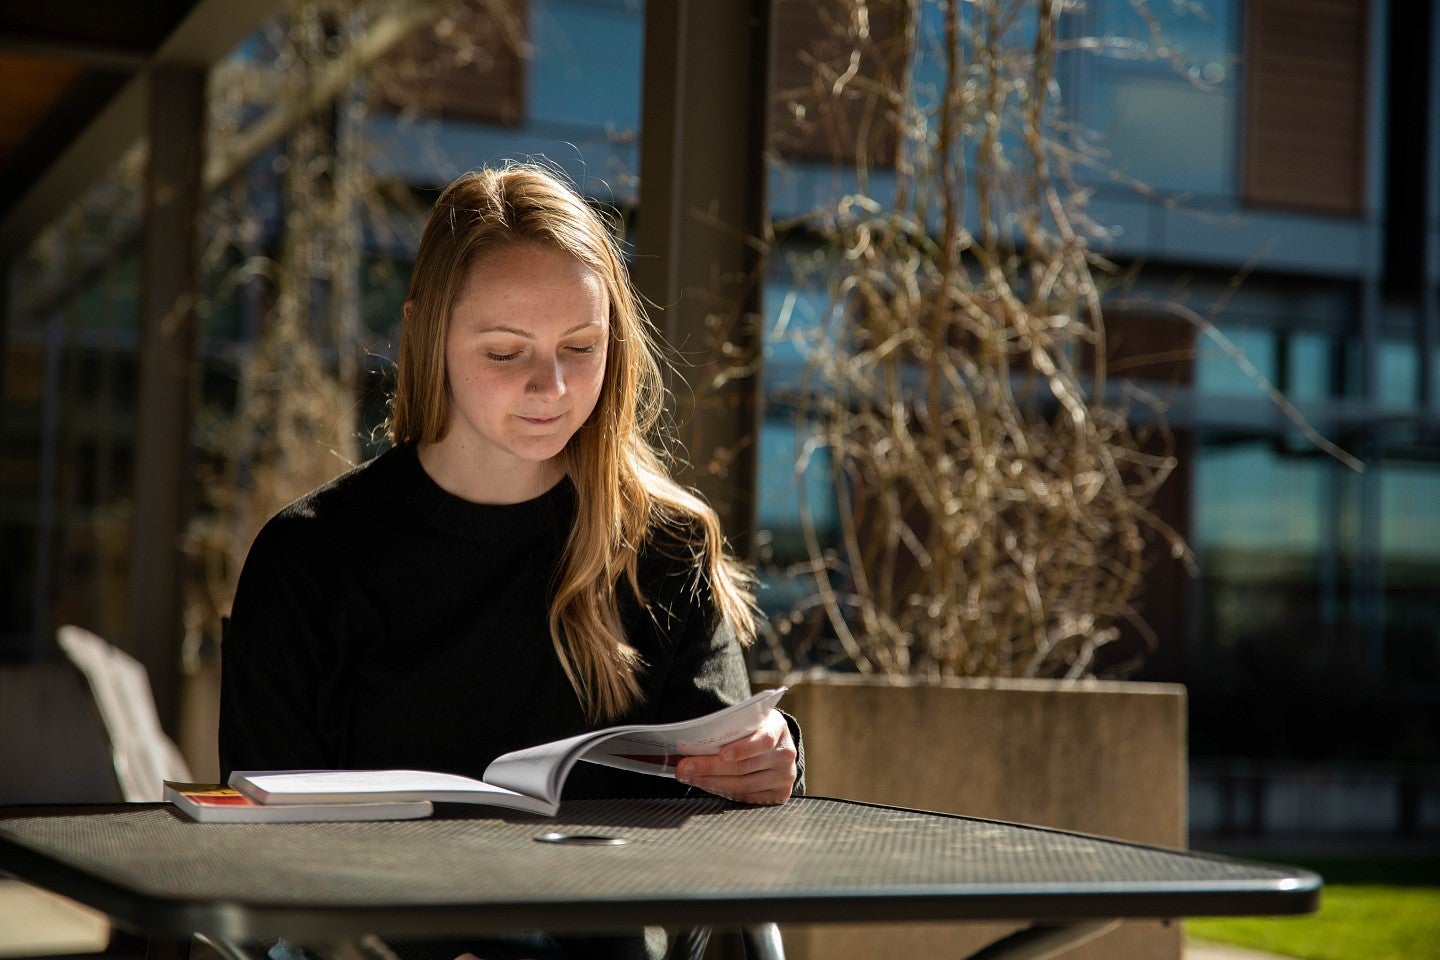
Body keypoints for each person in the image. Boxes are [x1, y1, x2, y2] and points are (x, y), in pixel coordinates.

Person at [218, 162, 802, 960]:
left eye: (581, 347)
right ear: (428, 334)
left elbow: (727, 808)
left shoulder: (661, 548)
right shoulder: (309, 558)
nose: (551, 387)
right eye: (504, 352)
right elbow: (263, 848)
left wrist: (764, 764)